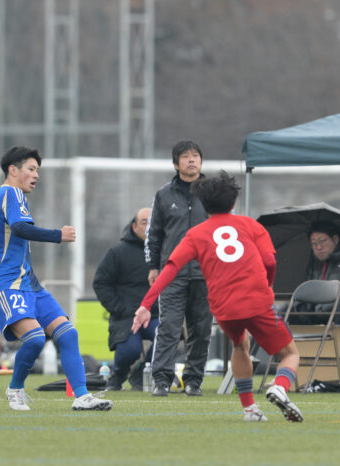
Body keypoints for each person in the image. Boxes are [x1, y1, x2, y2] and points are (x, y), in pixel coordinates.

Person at [133, 171, 303, 422]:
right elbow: (269, 261)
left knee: (240, 345)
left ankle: (250, 409)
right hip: (256, 300)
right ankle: (279, 386)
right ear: (233, 202)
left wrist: (146, 305)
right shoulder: (251, 225)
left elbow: (170, 268)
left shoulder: (195, 234)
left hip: (224, 307)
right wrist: (267, 285)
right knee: (290, 354)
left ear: (204, 204)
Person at [0, 146, 112, 412]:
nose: (36, 175)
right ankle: (15, 389)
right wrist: (58, 235)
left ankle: (82, 396)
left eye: (37, 170)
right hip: (6, 285)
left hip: (29, 284)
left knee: (67, 334)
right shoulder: (11, 193)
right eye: (31, 169)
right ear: (13, 170)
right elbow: (20, 228)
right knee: (34, 338)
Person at [145, 140, 213, 397]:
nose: (191, 160)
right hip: (172, 273)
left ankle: (194, 381)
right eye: (185, 156)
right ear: (176, 164)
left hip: (206, 273)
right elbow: (154, 234)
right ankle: (162, 380)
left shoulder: (212, 193)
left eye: (195, 156)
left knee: (201, 329)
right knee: (169, 327)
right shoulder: (163, 194)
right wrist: (153, 267)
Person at [93, 207, 159, 391]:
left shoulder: (164, 252)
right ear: (134, 226)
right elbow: (100, 283)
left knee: (167, 336)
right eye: (144, 222)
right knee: (130, 349)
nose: (149, 226)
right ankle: (118, 376)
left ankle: (141, 373)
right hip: (126, 316)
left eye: (153, 222)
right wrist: (119, 309)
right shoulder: (117, 252)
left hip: (155, 315)